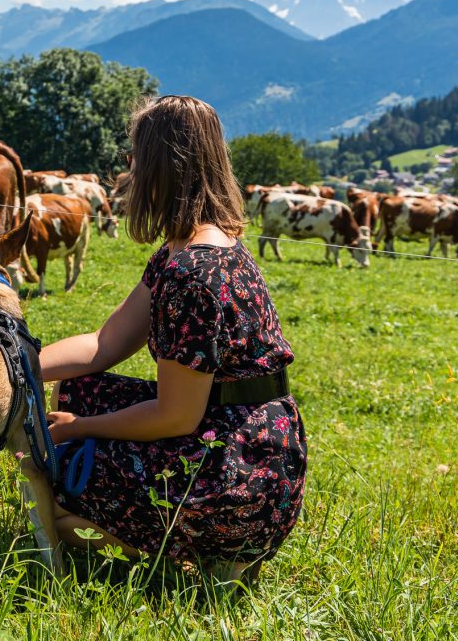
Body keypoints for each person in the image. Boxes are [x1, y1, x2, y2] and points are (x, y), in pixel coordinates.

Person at [41, 95, 306, 584]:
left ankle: (204, 558)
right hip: (255, 444)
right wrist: (16, 366)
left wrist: (78, 428)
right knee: (78, 387)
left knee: (55, 514)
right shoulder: (189, 248)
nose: (128, 168)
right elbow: (105, 342)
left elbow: (174, 415)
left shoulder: (193, 273)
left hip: (237, 473)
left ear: (163, 164)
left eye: (135, 155)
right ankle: (194, 546)